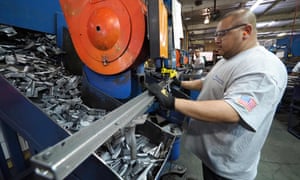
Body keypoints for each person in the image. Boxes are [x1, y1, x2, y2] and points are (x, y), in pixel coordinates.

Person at [148, 8, 287, 180]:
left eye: (222, 34)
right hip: (212, 156)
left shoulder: (263, 67)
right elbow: (210, 82)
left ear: (246, 31)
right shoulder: (230, 58)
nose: (216, 40)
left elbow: (233, 111)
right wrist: (180, 83)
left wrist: (173, 102)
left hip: (228, 167)